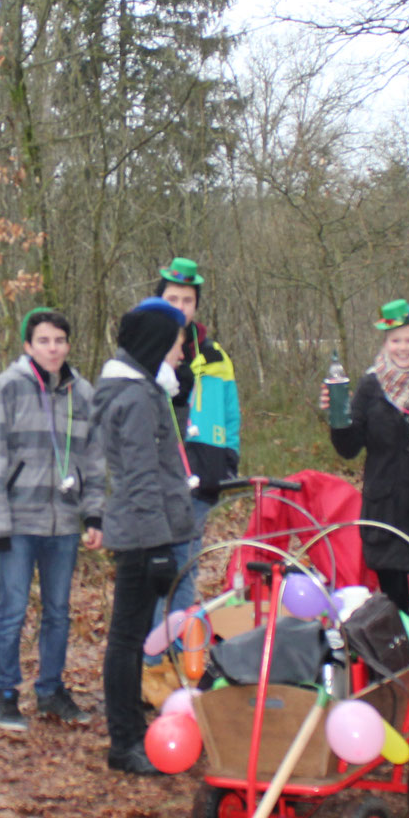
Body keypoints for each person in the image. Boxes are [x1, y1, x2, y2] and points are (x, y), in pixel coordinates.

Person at [0, 307, 105, 731]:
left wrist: (94, 513)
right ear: (28, 345)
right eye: (44, 341)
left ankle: (50, 690)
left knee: (59, 610)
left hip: (63, 521)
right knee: (12, 609)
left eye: (60, 341)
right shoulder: (8, 387)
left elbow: (95, 458)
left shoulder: (82, 392)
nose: (53, 348)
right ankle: (3, 693)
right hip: (17, 521)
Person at [97, 298, 197, 776]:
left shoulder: (145, 390)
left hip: (147, 528)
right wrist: (158, 546)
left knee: (130, 637)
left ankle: (129, 732)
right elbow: (139, 477)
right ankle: (126, 741)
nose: (182, 353)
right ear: (157, 344)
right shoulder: (135, 398)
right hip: (141, 535)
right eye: (177, 343)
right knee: (126, 639)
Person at [323, 299, 409, 627]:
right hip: (385, 510)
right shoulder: (370, 386)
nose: (403, 348)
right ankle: (397, 671)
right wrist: (337, 418)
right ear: (385, 343)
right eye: (396, 340)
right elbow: (349, 448)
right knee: (394, 608)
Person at [154, 258, 240, 614]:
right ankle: (152, 659)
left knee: (187, 568)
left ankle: (176, 653)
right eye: (173, 299)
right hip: (158, 476)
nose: (180, 308)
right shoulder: (145, 350)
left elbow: (230, 414)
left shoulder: (214, 354)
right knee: (157, 571)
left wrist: (228, 462)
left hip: (201, 474)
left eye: (187, 301)